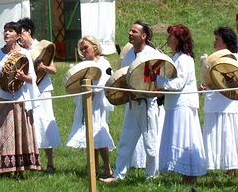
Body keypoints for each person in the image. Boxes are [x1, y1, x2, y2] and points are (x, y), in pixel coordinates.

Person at [101, 21, 161, 183]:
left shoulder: (151, 54)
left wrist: (141, 92)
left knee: (151, 144)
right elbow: (123, 76)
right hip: (131, 104)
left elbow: (155, 80)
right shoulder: (129, 54)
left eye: (134, 31)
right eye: (130, 30)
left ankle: (152, 177)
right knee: (126, 141)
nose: (130, 33)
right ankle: (118, 175)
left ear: (144, 36)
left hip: (146, 104)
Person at [0, 21, 40, 176]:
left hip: (19, 99)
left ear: (18, 36)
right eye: (5, 30)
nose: (6, 33)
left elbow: (33, 77)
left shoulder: (24, 53)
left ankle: (19, 168)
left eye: (11, 31)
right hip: (2, 97)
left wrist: (23, 77)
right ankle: (1, 167)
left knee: (20, 133)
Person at [156, 24, 206, 184]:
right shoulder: (176, 57)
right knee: (177, 137)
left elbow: (178, 84)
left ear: (179, 39)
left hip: (183, 105)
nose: (168, 39)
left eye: (171, 36)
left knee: (185, 138)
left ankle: (190, 176)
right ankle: (185, 174)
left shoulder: (184, 59)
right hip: (174, 105)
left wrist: (159, 80)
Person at [65, 36, 116, 178]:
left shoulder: (104, 62)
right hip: (85, 100)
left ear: (95, 46)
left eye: (86, 47)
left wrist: (93, 91)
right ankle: (93, 167)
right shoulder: (83, 64)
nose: (83, 51)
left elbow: (107, 81)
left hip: (98, 103)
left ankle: (107, 167)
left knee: (99, 131)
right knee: (89, 134)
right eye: (81, 49)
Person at [201, 27, 238, 176]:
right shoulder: (213, 58)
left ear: (226, 42)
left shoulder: (233, 58)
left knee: (227, 135)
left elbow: (234, 81)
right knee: (214, 134)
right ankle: (215, 164)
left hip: (227, 103)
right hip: (214, 102)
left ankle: (231, 168)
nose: (214, 42)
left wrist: (215, 84)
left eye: (218, 40)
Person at [17, 17, 61, 173]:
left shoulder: (41, 46)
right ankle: (33, 162)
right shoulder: (20, 50)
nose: (18, 37)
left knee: (45, 122)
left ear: (28, 32)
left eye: (20, 33)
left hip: (43, 91)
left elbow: (54, 70)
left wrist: (43, 67)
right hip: (28, 91)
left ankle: (50, 163)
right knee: (30, 125)